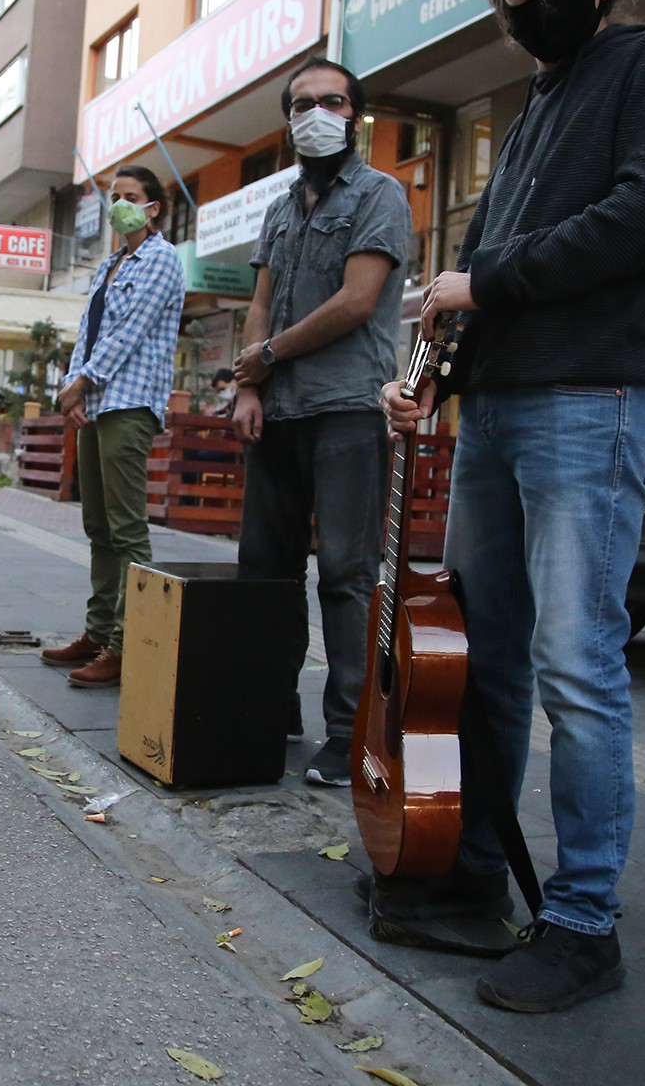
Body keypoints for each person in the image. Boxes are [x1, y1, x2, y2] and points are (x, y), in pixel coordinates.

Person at [377, 0, 645, 1014]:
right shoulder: (529, 113)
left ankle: (583, 922)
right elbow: (482, 268)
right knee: (487, 658)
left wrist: (483, 282)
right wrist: (428, 381)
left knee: (579, 663)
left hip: (595, 397)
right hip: (503, 408)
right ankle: (475, 868)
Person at [230, 55, 412, 786]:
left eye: (331, 100)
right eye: (302, 103)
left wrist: (264, 356)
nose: (316, 113)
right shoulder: (279, 208)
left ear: (354, 114)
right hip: (275, 413)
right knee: (266, 571)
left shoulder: (380, 194)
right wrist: (250, 385)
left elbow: (357, 301)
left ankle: (350, 731)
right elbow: (261, 302)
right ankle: (271, 706)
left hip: (345, 410)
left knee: (345, 576)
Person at [38, 166, 187, 689]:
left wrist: (84, 382)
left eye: (130, 197)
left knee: (127, 530)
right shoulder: (109, 265)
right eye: (114, 196)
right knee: (97, 526)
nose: (118, 204)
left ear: (153, 208)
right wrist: (74, 387)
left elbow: (130, 331)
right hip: (94, 404)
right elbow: (88, 332)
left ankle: (126, 644)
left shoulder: (162, 259)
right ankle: (98, 631)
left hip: (129, 403)